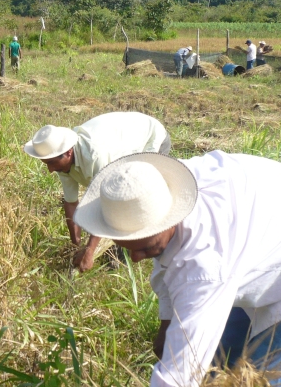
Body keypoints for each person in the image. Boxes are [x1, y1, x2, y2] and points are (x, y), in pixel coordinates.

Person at [72, 151, 281, 387]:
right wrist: (168, 324)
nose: (135, 259)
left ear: (170, 219)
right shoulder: (155, 189)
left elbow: (175, 383)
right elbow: (171, 261)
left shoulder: (205, 265)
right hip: (262, 222)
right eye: (129, 247)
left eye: (146, 249)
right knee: (216, 365)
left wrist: (171, 375)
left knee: (254, 386)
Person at [23, 112, 171, 272]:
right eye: (46, 164)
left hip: (150, 139)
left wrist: (90, 250)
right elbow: (71, 202)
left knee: (135, 196)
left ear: (68, 153)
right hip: (122, 142)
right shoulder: (60, 160)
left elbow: (105, 204)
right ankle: (119, 245)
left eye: (52, 163)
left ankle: (129, 252)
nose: (50, 170)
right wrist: (76, 245)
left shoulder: (95, 156)